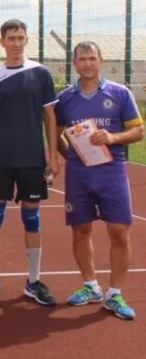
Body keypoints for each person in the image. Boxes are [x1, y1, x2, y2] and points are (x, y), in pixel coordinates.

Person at [0, 19, 60, 306]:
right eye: (11, 38)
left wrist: (53, 156)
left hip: (32, 159)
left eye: (21, 38)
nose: (16, 43)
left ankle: (33, 282)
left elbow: (50, 116)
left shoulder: (41, 73)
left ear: (27, 40)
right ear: (1, 41)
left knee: (31, 218)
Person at [56, 41, 143, 321]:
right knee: (80, 230)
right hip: (78, 173)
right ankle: (90, 286)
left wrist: (113, 138)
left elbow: (138, 131)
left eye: (92, 58)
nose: (87, 63)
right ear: (74, 64)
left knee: (118, 231)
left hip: (111, 171)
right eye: (82, 59)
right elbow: (56, 132)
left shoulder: (120, 93)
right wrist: (72, 154)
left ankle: (115, 292)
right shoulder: (66, 98)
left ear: (101, 61)